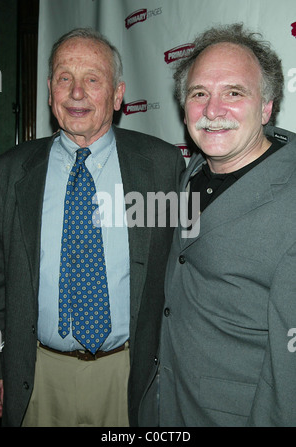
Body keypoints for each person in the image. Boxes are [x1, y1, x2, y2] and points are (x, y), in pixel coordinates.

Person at [0, 28, 185, 427]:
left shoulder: (160, 167)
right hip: (37, 373)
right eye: (65, 78)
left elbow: (180, 270)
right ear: (50, 92)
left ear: (117, 95)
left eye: (92, 79)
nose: (76, 93)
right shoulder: (11, 171)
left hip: (128, 375)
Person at [139, 23, 296, 427]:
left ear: (266, 106)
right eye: (199, 94)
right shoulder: (190, 171)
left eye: (233, 92)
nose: (212, 111)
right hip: (165, 405)